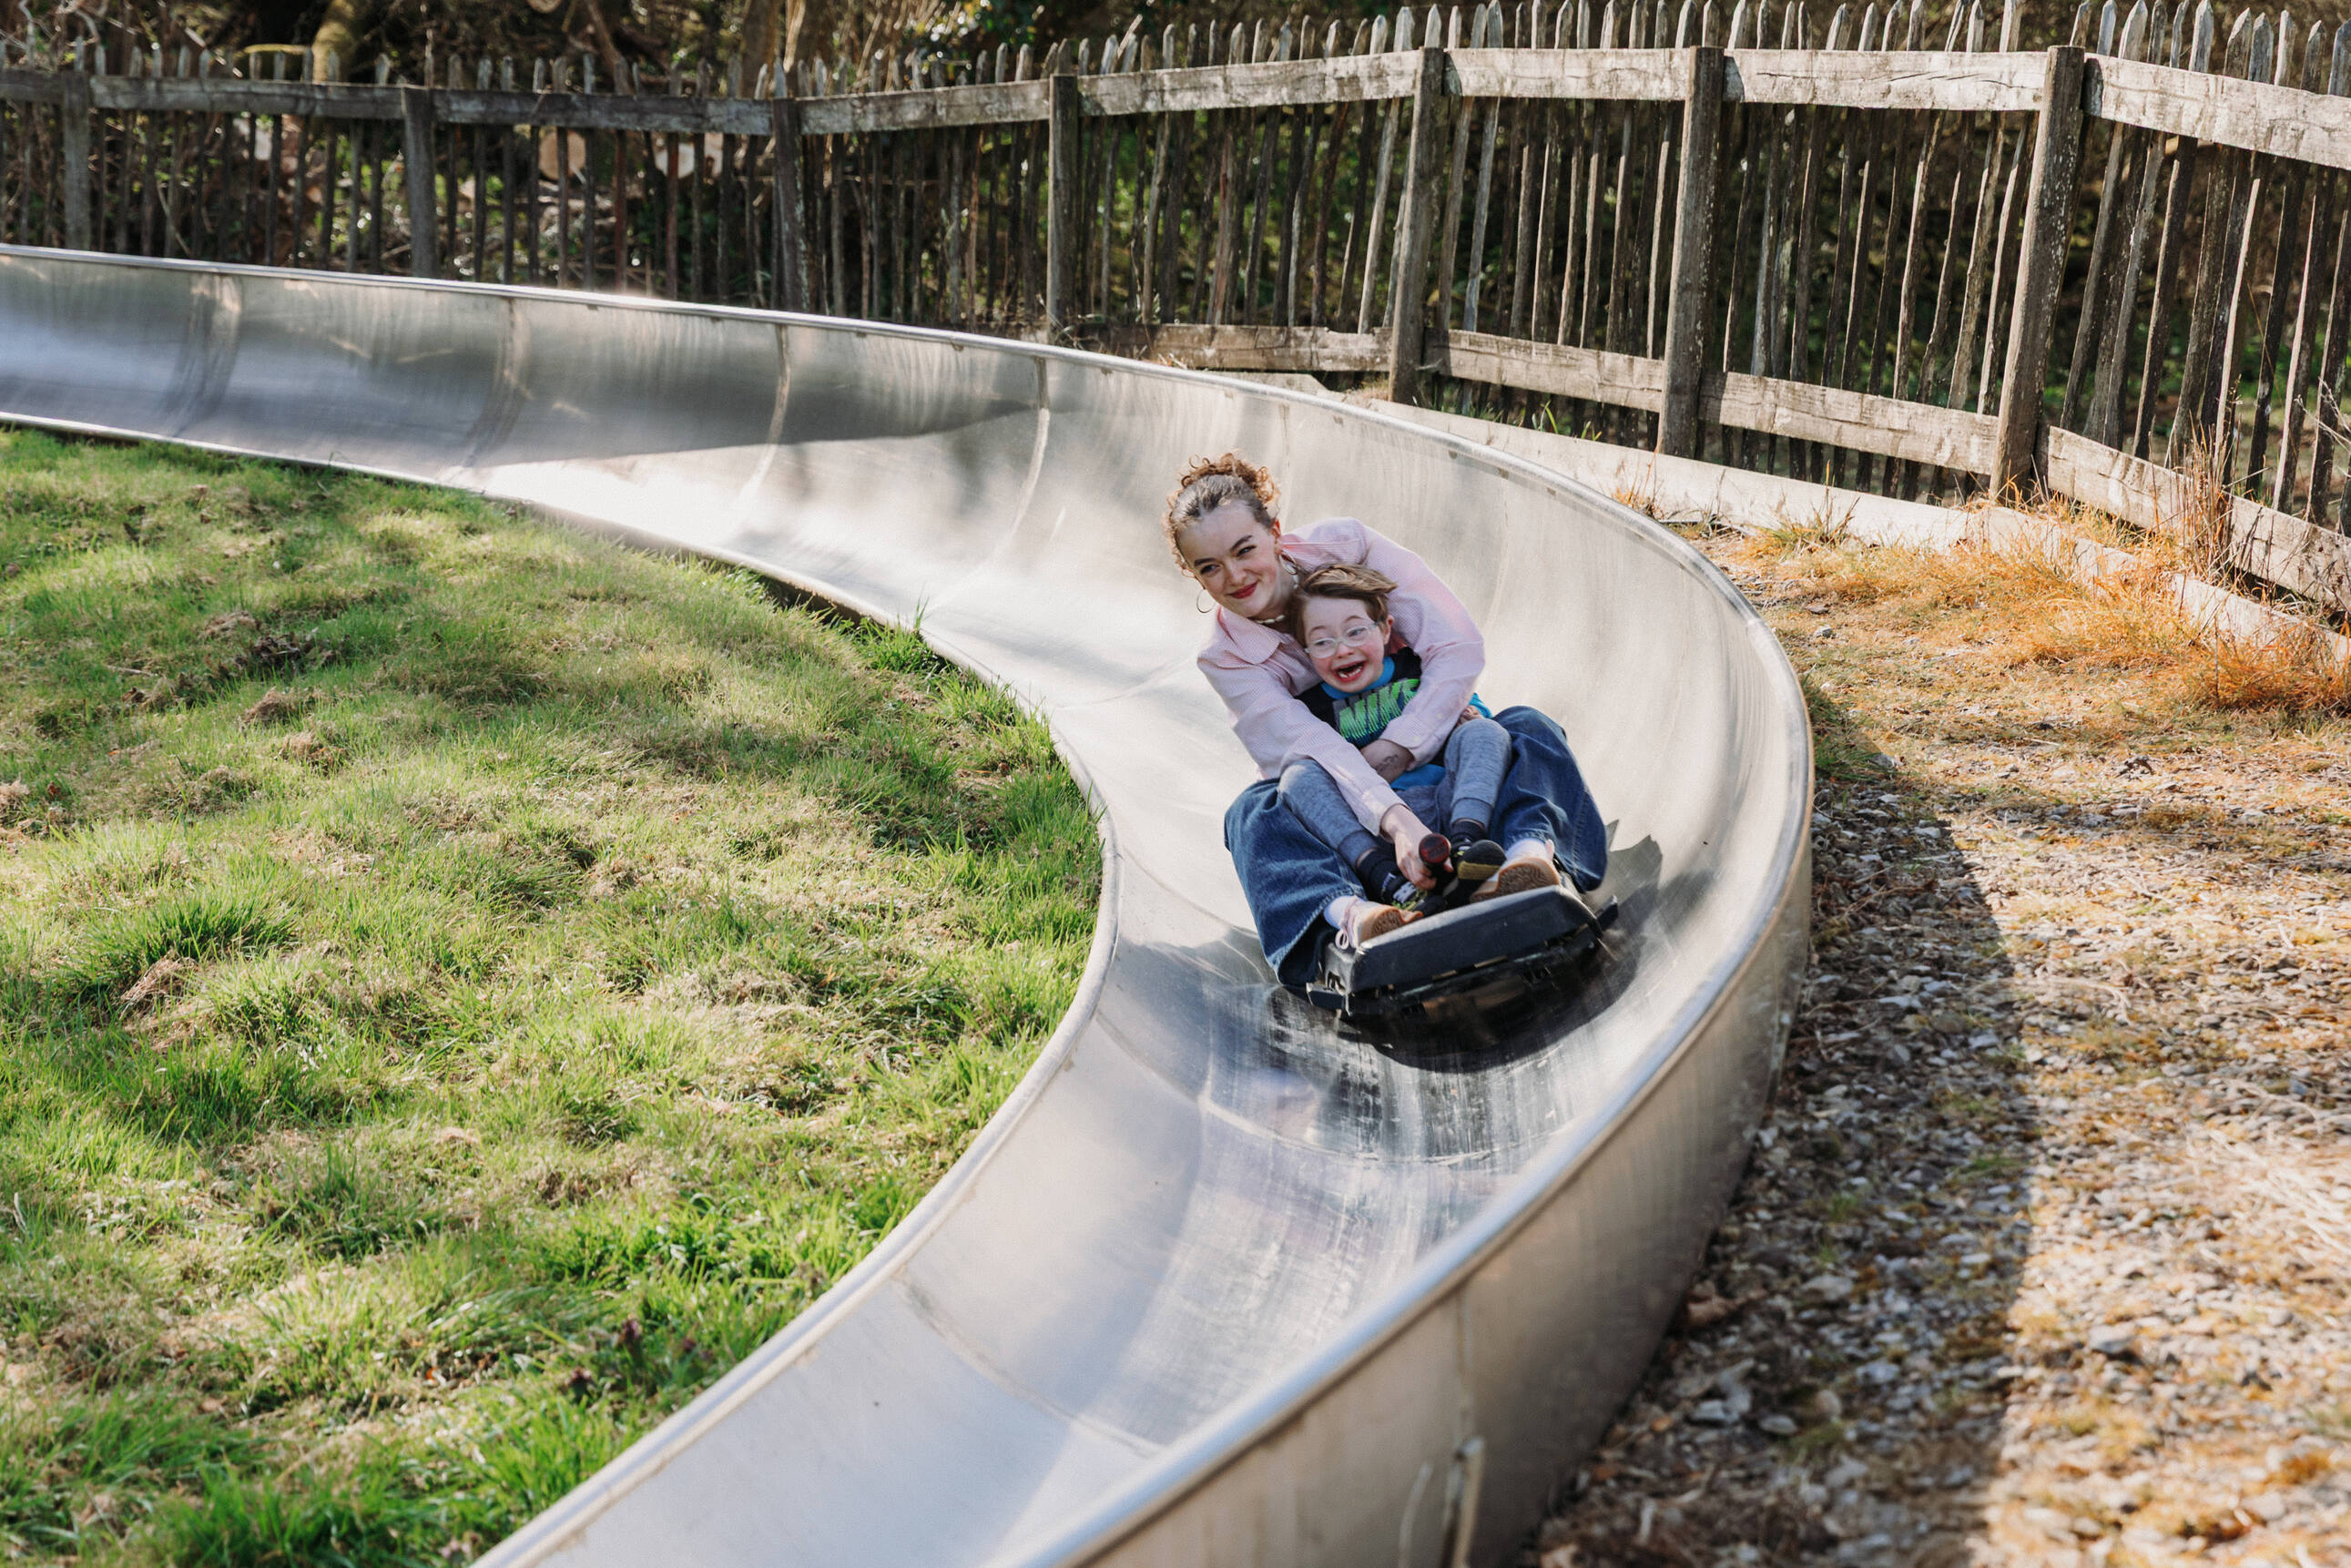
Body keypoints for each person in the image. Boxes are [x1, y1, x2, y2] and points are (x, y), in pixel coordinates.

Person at [1165, 452, 1608, 991]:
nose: (1234, 576)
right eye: (1208, 567)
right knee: (1253, 812)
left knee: (1526, 727)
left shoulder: (1349, 549)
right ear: (1193, 572)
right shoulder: (1225, 654)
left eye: (1244, 550)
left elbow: (1454, 644)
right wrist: (1396, 823)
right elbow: (1305, 748)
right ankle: (1352, 919)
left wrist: (1405, 744)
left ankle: (1526, 861)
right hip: (1356, 825)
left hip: (1441, 763)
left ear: (1275, 533)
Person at [1277, 562, 1512, 917]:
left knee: (1484, 730)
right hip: (1376, 830)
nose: (1342, 650)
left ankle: (1468, 844)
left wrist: (1470, 715)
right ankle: (1386, 880)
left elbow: (1462, 702)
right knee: (1297, 778)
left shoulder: (1417, 669)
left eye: (1356, 632)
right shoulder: (1310, 709)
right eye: (1323, 641)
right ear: (1306, 650)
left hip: (1446, 798)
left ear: (1386, 630)